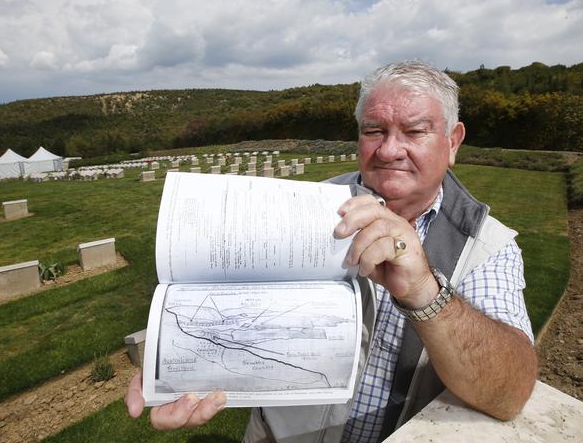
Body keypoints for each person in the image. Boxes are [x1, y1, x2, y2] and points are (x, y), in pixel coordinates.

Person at [125, 61, 537, 442]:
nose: (389, 150)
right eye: (374, 130)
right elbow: (229, 299)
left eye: (414, 132)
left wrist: (425, 291)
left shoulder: (488, 245)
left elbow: (510, 393)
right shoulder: (304, 207)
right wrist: (177, 360)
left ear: (452, 142)